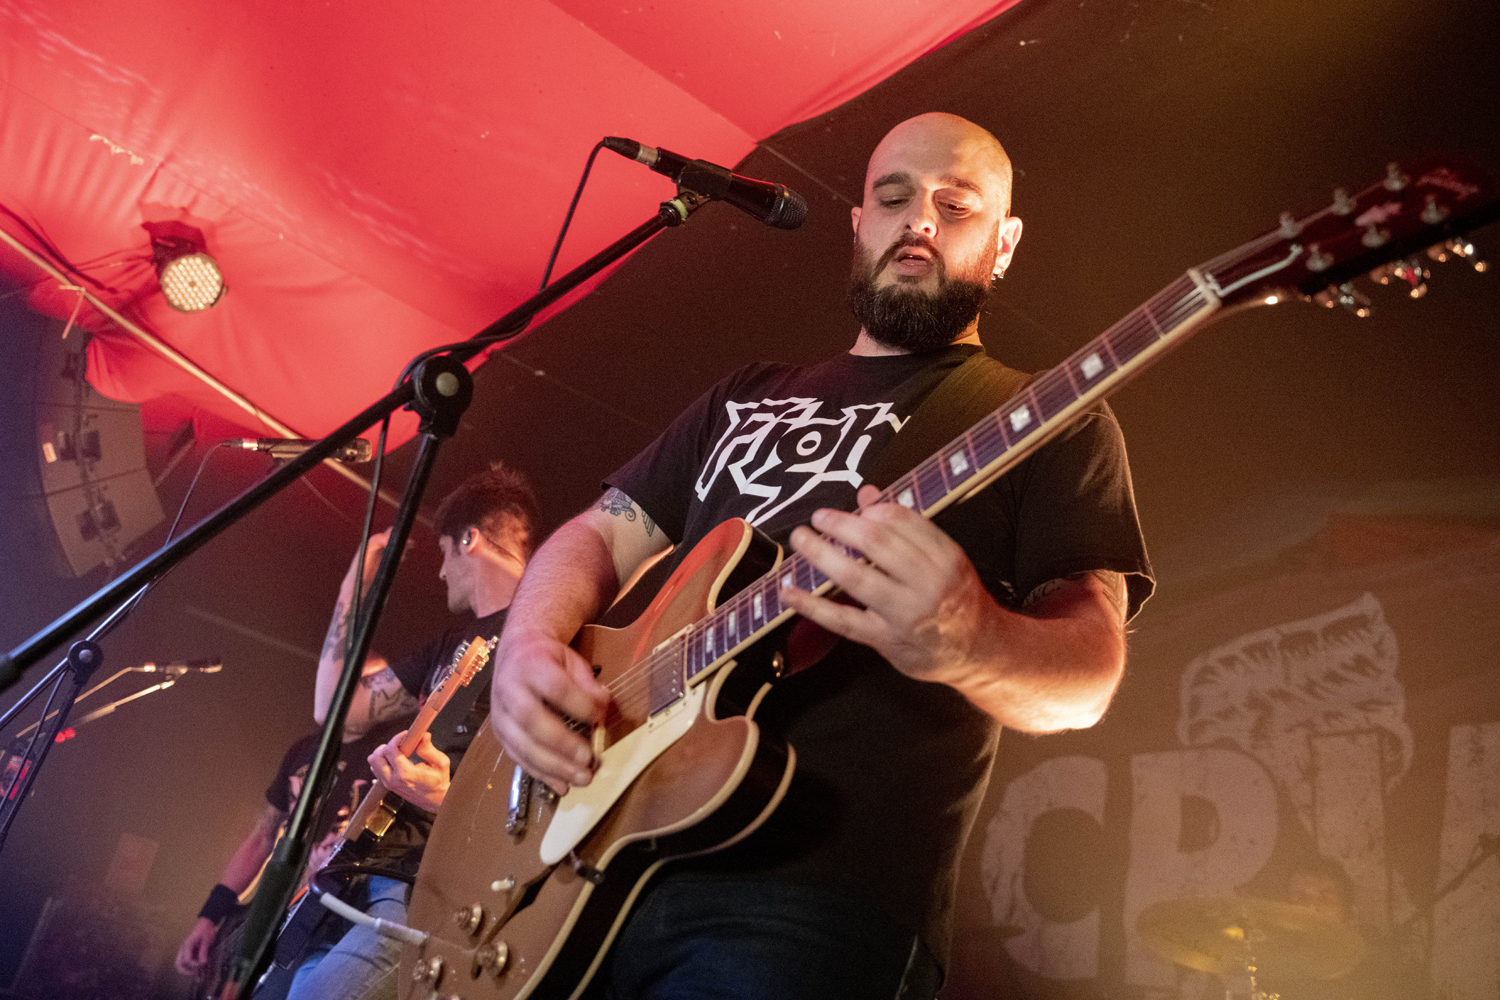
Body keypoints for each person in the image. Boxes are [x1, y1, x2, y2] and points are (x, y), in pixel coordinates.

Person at [488, 112, 1154, 999]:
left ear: (1003, 244)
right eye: (894, 198)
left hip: (814, 899)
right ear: (858, 223)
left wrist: (971, 639)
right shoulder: (746, 393)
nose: (920, 221)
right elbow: (598, 533)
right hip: (600, 866)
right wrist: (527, 644)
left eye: (956, 205)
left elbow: (1091, 675)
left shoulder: (1050, 420)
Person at [282, 462, 539, 1000]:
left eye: (444, 553)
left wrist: (450, 798)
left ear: (469, 539)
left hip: (440, 883)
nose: (441, 573)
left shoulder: (550, 625)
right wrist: (354, 583)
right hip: (376, 868)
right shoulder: (447, 645)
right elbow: (333, 709)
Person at [172, 710, 410, 995]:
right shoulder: (304, 750)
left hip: (326, 918)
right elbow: (263, 836)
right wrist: (210, 916)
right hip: (272, 908)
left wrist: (332, 866)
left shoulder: (389, 750)